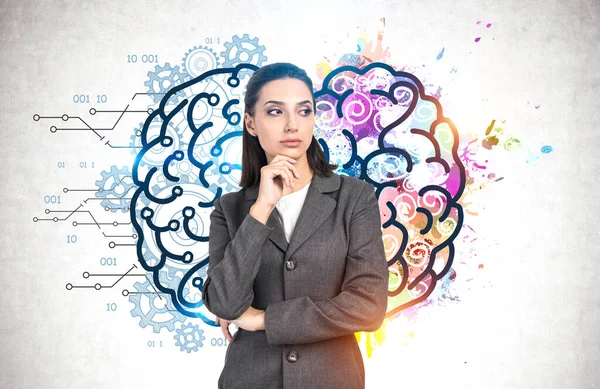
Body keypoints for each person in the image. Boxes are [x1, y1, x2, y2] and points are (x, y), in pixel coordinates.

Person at [201, 62, 389, 389]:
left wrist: (263, 320)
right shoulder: (229, 209)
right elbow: (225, 304)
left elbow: (368, 306)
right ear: (251, 123)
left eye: (304, 111)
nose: (292, 125)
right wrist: (261, 207)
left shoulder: (354, 198)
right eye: (275, 112)